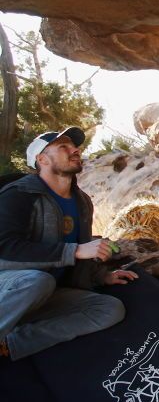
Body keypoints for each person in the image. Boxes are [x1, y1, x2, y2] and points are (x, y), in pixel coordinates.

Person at [0, 127, 137, 361]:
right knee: (38, 282)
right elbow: (5, 249)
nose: (75, 150)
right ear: (41, 159)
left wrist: (100, 275)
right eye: (63, 146)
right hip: (12, 287)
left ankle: (11, 345)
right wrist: (75, 251)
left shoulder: (82, 202)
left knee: (109, 309)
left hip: (47, 291)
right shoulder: (18, 194)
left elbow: (79, 249)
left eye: (74, 146)